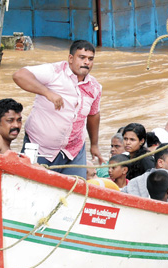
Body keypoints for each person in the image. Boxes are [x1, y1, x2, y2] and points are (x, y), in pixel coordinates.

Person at [12, 40, 103, 179]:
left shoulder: (95, 87)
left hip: (74, 151)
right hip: (41, 147)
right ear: (71, 58)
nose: (86, 62)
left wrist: (94, 145)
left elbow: (93, 115)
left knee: (74, 193)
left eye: (90, 59)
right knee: (33, 188)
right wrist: (47, 92)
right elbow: (19, 75)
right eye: (82, 57)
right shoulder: (55, 72)